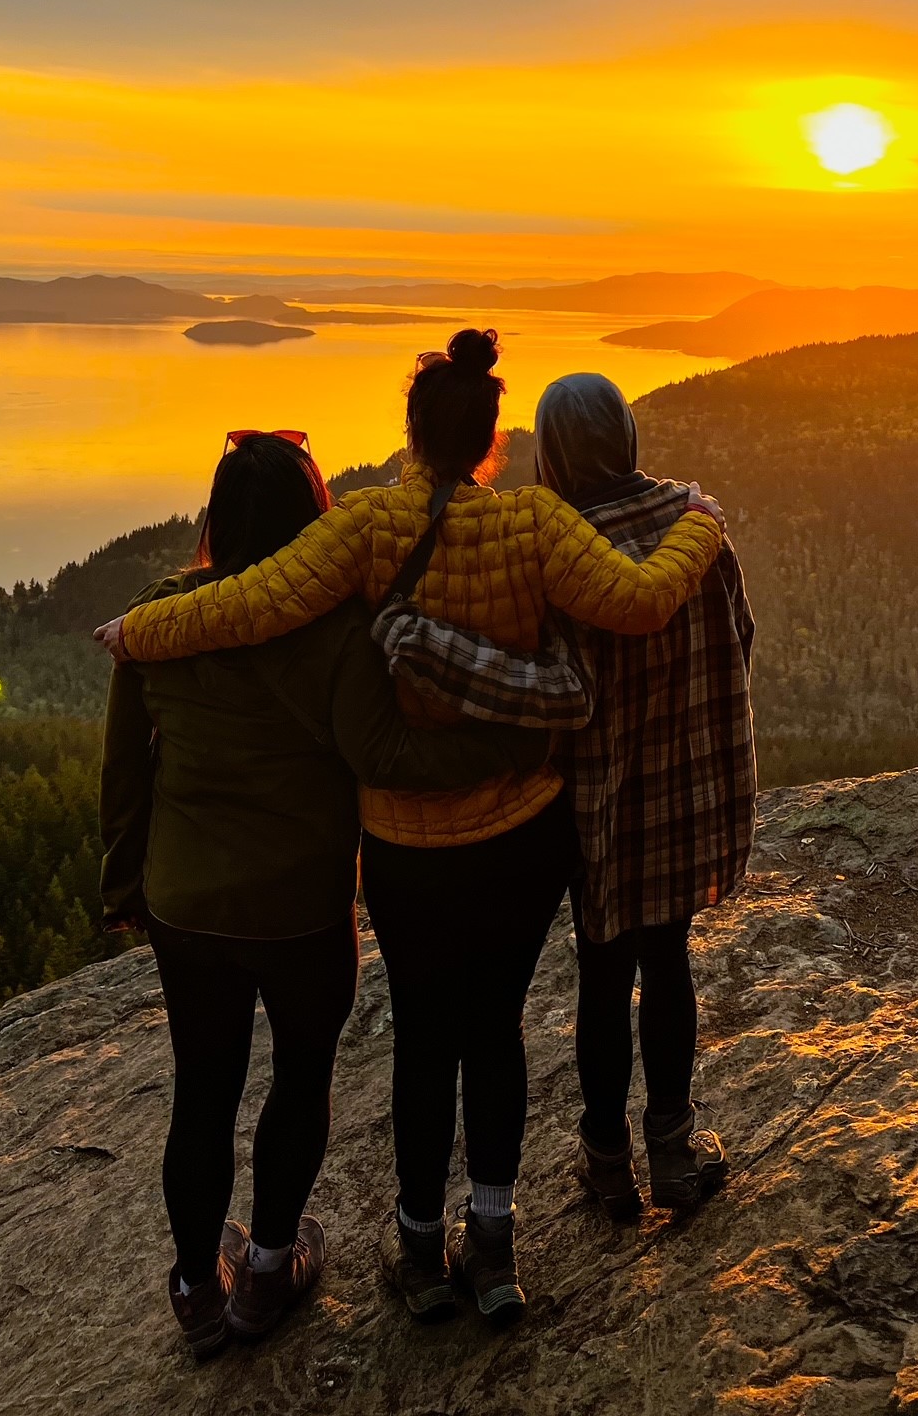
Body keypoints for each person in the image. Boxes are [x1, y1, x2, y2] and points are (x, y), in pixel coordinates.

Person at [93, 330, 728, 1325]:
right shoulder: (533, 522)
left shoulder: (367, 529)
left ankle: (414, 1254)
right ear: (492, 441)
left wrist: (140, 633)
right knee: (495, 1034)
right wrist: (699, 523)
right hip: (517, 834)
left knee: (417, 1041)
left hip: (400, 850)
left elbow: (252, 599)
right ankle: (494, 1246)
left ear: (413, 432)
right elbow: (643, 602)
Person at [99, 432, 554, 1361]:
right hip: (301, 905)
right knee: (300, 1079)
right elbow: (384, 756)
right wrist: (511, 746)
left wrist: (123, 887)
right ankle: (270, 1269)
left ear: (217, 519)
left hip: (187, 902)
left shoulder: (158, 620)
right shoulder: (338, 633)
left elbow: (124, 774)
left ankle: (197, 1292)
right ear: (315, 518)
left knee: (202, 1090)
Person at [376, 371, 756, 1220]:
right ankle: (673, 1149)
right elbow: (742, 637)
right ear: (625, 437)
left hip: (597, 807)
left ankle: (607, 1160)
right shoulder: (697, 526)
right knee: (668, 961)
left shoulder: (561, 546)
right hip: (689, 792)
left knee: (604, 974)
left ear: (550, 451)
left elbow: (552, 682)